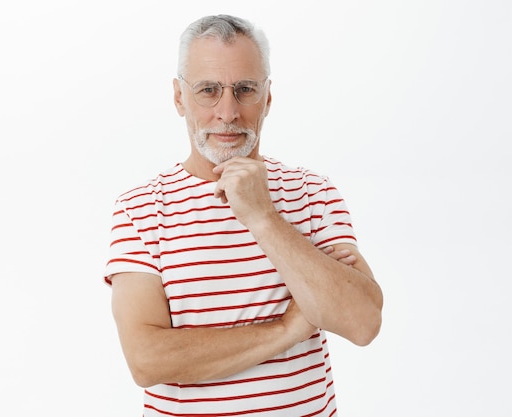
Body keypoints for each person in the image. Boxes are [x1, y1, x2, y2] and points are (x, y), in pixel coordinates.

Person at [103, 14, 383, 416]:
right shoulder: (140, 209)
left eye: (245, 89)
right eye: (208, 90)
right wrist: (289, 327)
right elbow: (148, 360)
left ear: (267, 97)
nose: (228, 111)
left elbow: (361, 322)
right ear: (180, 97)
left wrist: (263, 216)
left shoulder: (314, 194)